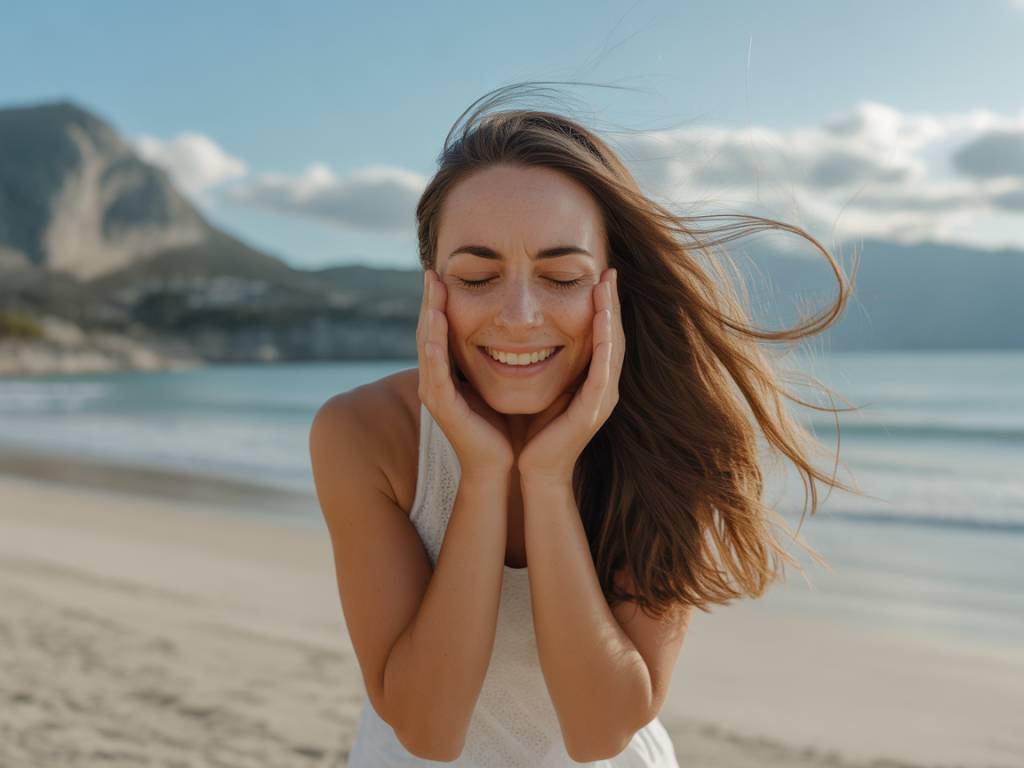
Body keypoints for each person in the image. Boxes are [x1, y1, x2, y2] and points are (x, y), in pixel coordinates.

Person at [309, 82, 862, 766]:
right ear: (434, 288)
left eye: (562, 278)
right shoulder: (365, 434)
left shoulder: (666, 431)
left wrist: (546, 480)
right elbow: (429, 728)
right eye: (477, 277)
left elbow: (599, 733)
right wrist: (482, 475)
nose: (518, 314)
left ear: (611, 287)